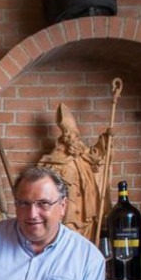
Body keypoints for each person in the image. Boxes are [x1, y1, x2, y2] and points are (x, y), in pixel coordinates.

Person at [38, 103, 112, 241]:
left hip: (86, 207)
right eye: (73, 137)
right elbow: (45, 180)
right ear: (65, 139)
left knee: (87, 239)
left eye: (77, 137)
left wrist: (106, 139)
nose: (76, 141)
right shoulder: (56, 159)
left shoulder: (83, 155)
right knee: (68, 239)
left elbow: (97, 155)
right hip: (68, 211)